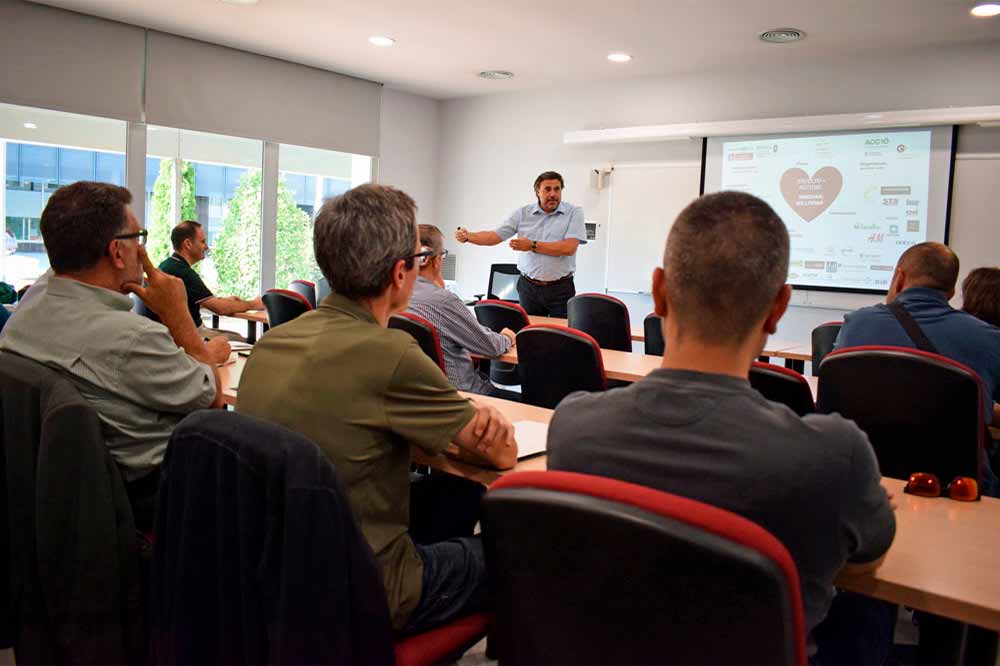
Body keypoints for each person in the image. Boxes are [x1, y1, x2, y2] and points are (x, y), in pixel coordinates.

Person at [546, 191, 896, 663]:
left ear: (658, 293)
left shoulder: (571, 426)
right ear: (778, 308)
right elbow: (870, 551)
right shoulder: (835, 456)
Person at [237, 184, 518, 634]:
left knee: (456, 493)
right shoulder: (391, 353)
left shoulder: (272, 342)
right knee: (522, 555)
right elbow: (502, 458)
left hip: (283, 572)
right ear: (399, 273)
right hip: (371, 585)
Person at [0, 182, 228, 529]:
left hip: (49, 497)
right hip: (155, 501)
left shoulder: (33, 302)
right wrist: (179, 316)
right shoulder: (132, 338)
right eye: (139, 237)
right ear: (117, 252)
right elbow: (210, 396)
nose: (143, 249)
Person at [835, 243, 1000, 490]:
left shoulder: (856, 324)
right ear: (952, 291)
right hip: (958, 488)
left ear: (899, 277)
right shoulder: (990, 338)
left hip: (866, 477)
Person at [407, 224, 519, 400]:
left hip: (418, 395)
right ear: (435, 260)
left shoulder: (395, 298)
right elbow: (490, 347)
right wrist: (506, 337)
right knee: (531, 403)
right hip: (461, 396)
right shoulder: (443, 301)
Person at [455, 170, 586, 317]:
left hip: (561, 288)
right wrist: (469, 237)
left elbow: (569, 248)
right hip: (528, 288)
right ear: (537, 192)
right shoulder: (523, 213)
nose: (553, 194)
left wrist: (532, 245)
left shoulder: (574, 212)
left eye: (557, 189)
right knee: (530, 333)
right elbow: (494, 236)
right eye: (547, 189)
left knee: (561, 334)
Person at [158, 220, 263, 341]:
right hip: (190, 336)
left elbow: (189, 300)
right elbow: (220, 308)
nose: (206, 246)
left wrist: (222, 300)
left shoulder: (167, 265)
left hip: (173, 334)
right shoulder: (184, 273)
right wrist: (254, 304)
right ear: (187, 244)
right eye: (203, 241)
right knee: (241, 340)